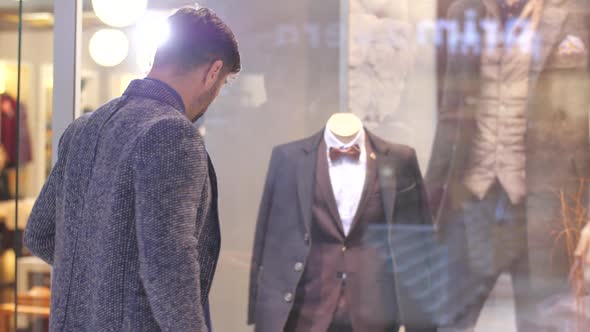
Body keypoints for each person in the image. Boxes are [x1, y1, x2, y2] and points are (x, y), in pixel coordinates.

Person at [24, 7, 240, 331]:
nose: (215, 94)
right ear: (214, 71)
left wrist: (101, 278)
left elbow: (39, 234)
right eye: (222, 84)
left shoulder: (84, 127)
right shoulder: (172, 133)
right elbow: (169, 266)